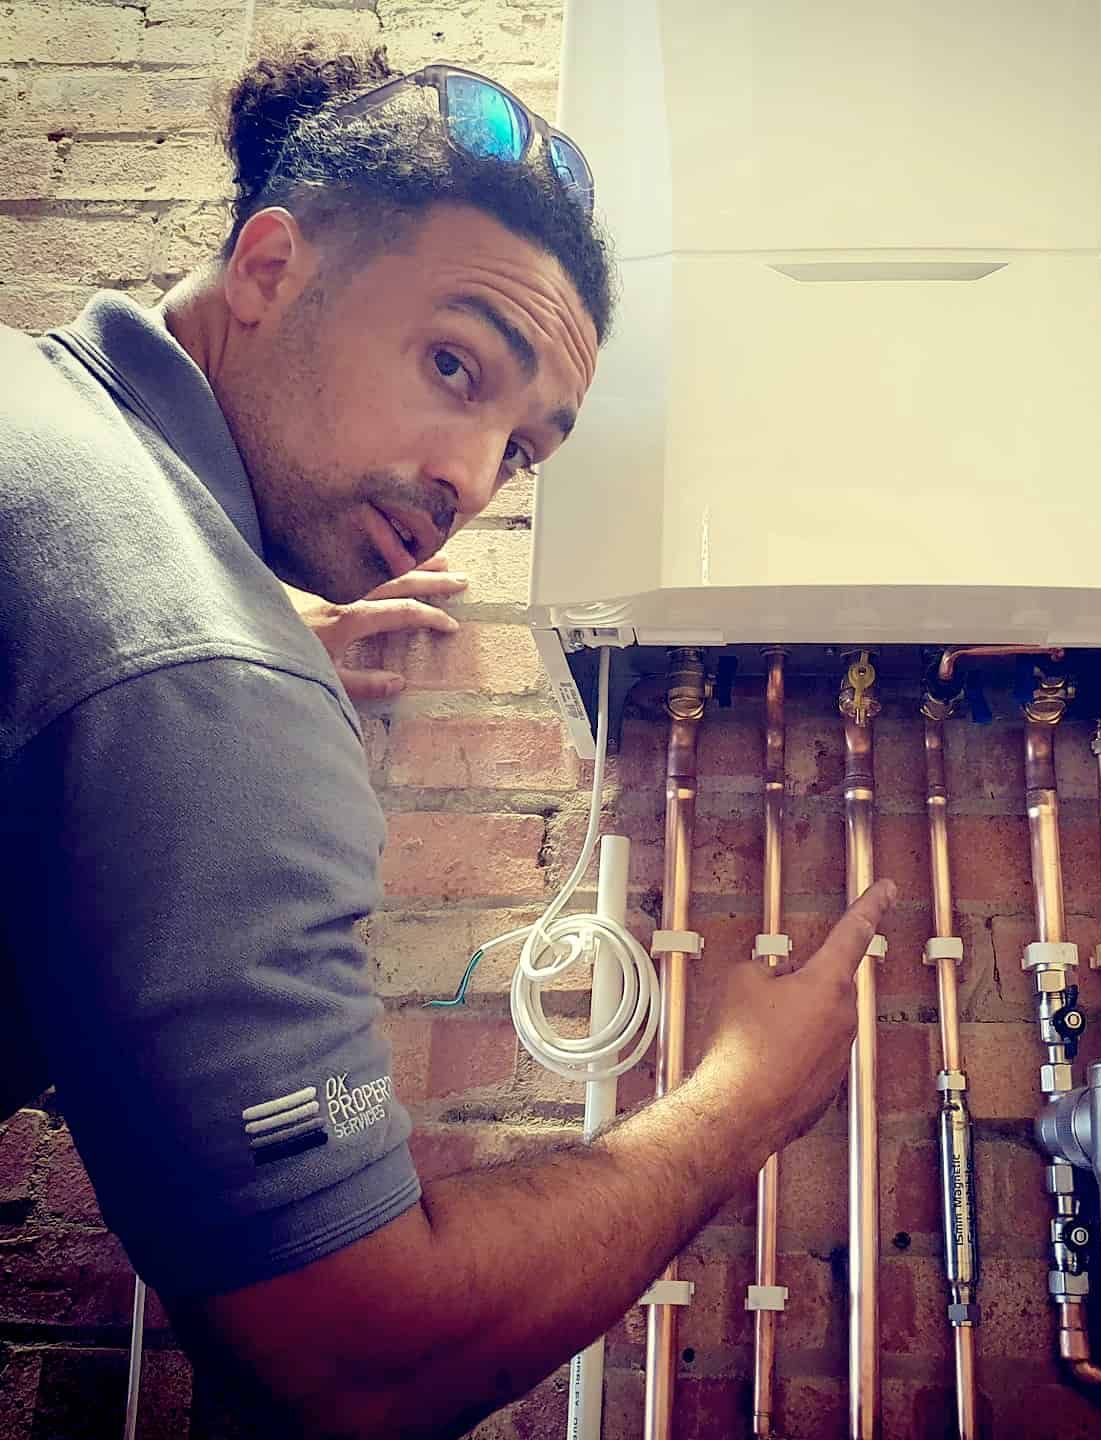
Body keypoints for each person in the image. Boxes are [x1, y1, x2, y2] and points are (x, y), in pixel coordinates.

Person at [0, 41, 895, 1437]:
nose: (472, 476)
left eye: (525, 447)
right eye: (454, 363)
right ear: (268, 266)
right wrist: (744, 1100)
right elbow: (355, 1361)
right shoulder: (195, 670)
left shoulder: (42, 435)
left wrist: (209, 664)